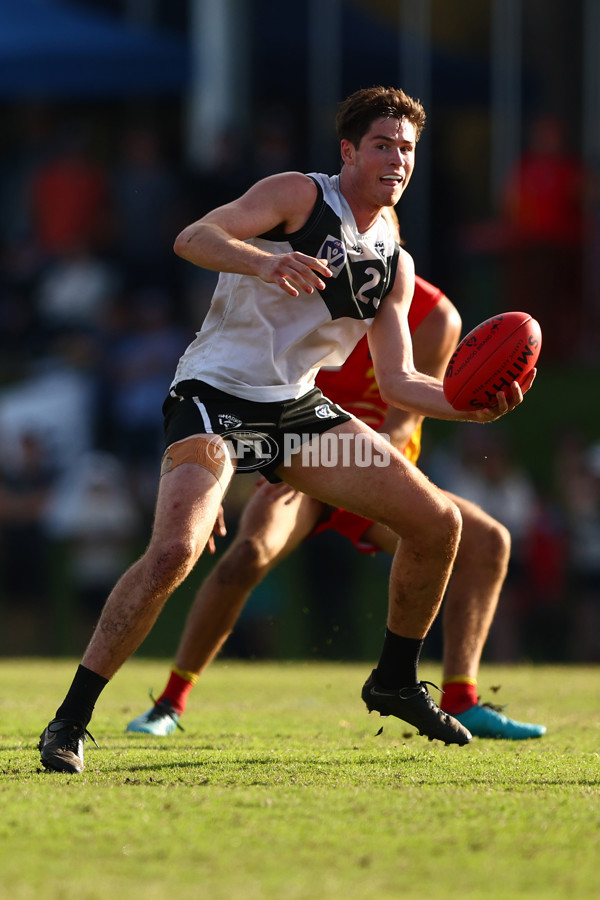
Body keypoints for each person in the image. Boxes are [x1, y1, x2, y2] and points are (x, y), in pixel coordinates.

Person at [38, 85, 534, 774]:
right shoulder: (298, 195)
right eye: (383, 145)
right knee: (175, 554)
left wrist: (469, 405)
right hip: (215, 392)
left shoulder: (394, 257)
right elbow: (193, 237)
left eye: (408, 149)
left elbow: (398, 383)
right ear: (349, 151)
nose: (397, 159)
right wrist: (265, 259)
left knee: (439, 523)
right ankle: (70, 721)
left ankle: (393, 681)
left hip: (296, 411)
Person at [126, 272, 545, 741]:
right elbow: (246, 384)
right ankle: (170, 702)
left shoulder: (435, 317)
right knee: (248, 555)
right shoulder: (318, 279)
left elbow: (401, 426)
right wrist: (220, 472)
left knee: (489, 541)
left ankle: (461, 698)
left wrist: (333, 466)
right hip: (296, 464)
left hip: (369, 470)